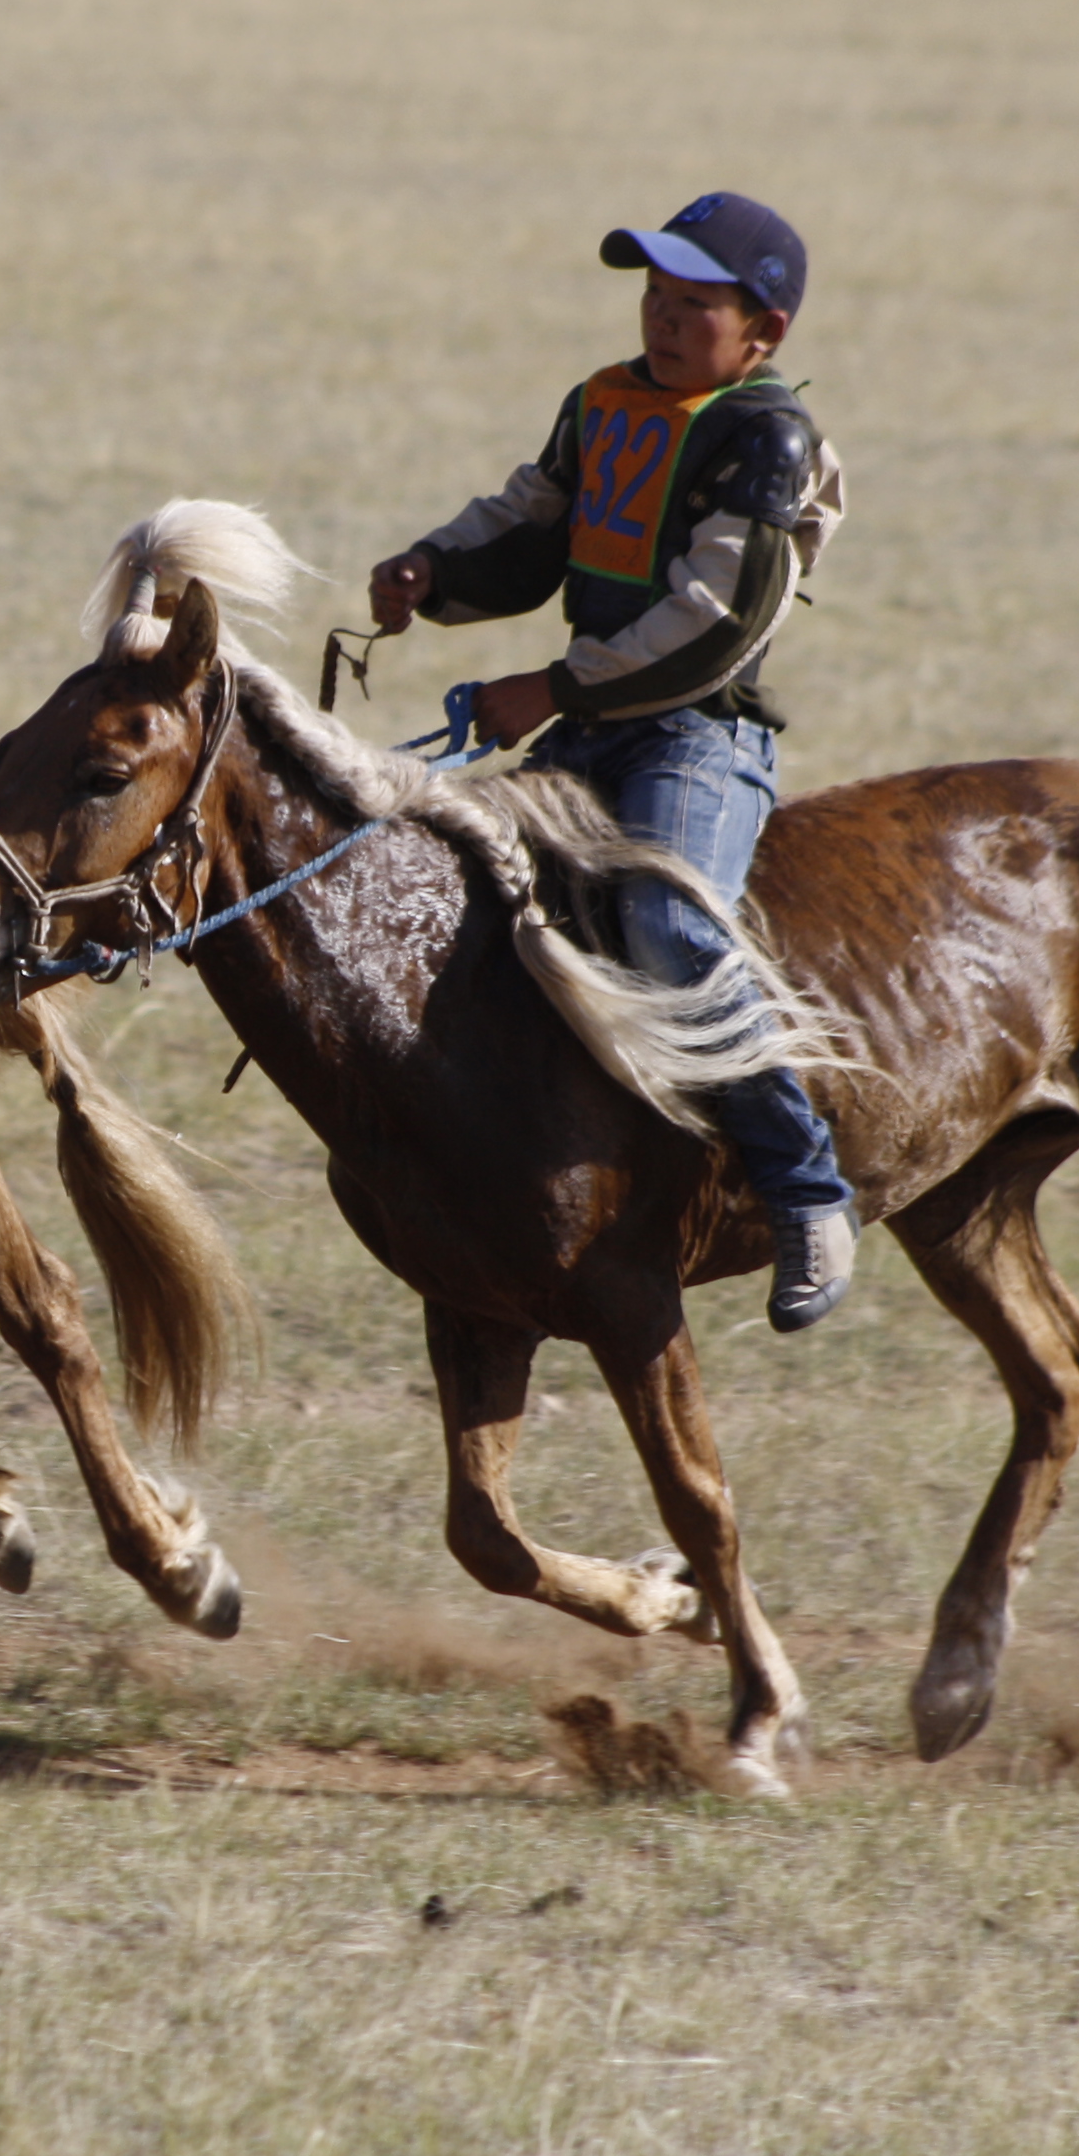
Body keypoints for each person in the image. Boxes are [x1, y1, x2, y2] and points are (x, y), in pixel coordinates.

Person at [364, 190, 859, 1329]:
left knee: (668, 929)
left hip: (696, 734)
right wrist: (431, 569)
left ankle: (804, 1185)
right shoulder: (603, 403)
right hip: (589, 724)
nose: (664, 319)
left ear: (763, 334)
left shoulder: (764, 437)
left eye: (695, 304)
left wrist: (548, 689)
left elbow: (711, 620)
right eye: (654, 295)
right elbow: (529, 522)